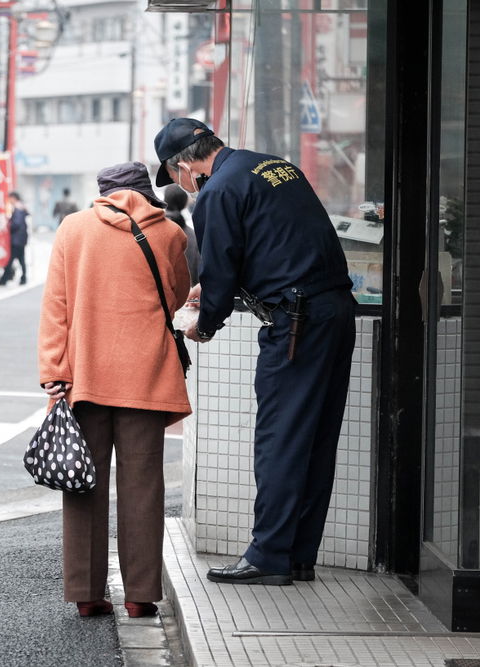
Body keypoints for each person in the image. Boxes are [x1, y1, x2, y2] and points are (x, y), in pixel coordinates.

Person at [154, 117, 355, 585]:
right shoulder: (272, 166)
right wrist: (216, 289)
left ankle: (268, 556)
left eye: (176, 177)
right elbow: (273, 245)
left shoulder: (218, 191)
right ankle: (297, 554)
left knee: (280, 438)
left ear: (185, 166)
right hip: (334, 311)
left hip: (297, 324)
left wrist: (206, 323)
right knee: (316, 438)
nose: (182, 185)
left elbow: (222, 266)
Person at [38, 161, 192, 618]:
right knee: (143, 486)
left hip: (85, 374)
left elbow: (56, 306)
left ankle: (87, 594)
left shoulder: (73, 229)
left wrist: (53, 370)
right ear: (145, 192)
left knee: (83, 483)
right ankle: (140, 596)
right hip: (147, 374)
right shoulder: (170, 233)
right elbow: (177, 297)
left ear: (103, 192)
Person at [163, 184, 200, 285]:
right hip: (188, 291)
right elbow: (198, 274)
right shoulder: (192, 236)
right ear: (184, 203)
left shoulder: (153, 230)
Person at [0, 192, 29, 286]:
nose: (9, 201)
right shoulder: (21, 207)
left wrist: (9, 224)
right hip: (21, 239)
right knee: (21, 259)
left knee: (11, 260)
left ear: (14, 198)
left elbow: (16, 224)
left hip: (17, 239)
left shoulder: (18, 209)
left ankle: (4, 279)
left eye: (10, 198)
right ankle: (22, 278)